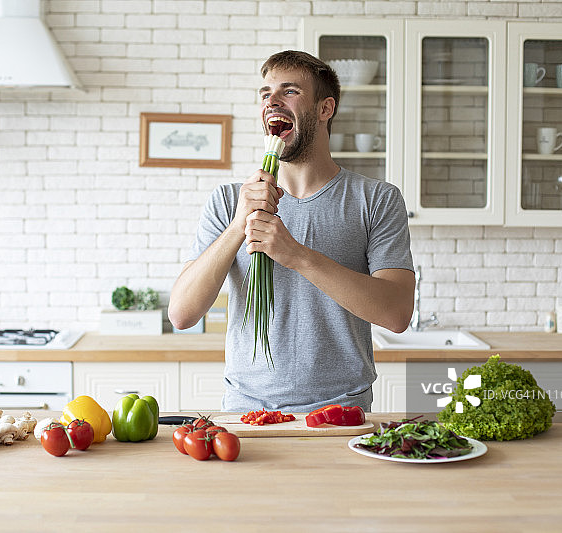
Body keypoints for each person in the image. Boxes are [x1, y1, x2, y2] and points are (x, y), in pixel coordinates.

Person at [168, 50, 415, 413]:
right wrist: (240, 223)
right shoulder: (227, 201)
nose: (272, 101)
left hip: (341, 412)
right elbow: (181, 314)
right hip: (246, 410)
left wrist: (296, 255)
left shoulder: (376, 199)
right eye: (265, 93)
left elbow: (397, 314)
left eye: (289, 92)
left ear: (324, 109)